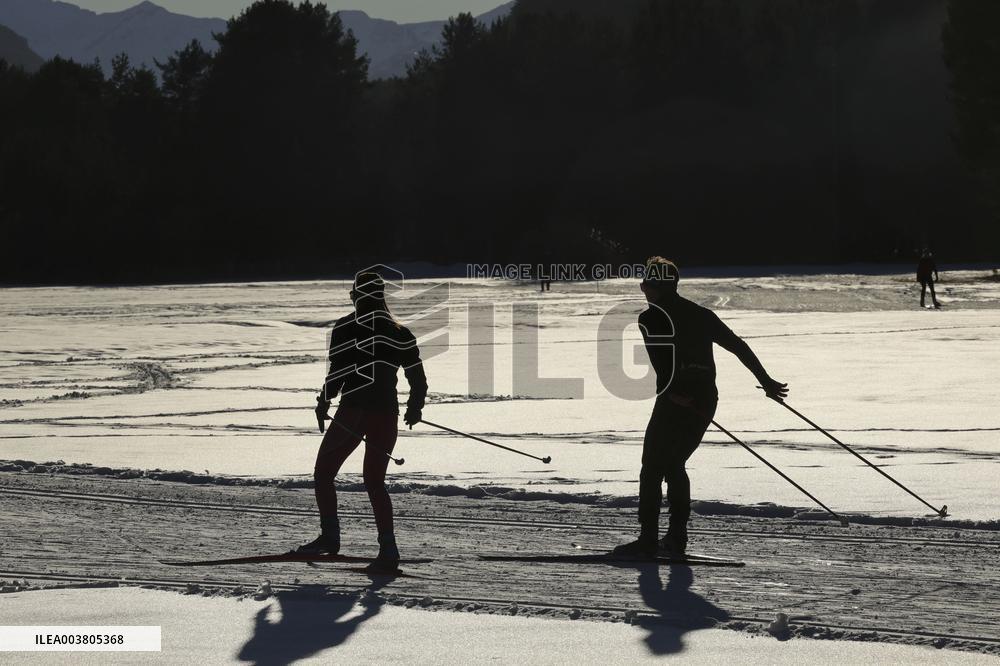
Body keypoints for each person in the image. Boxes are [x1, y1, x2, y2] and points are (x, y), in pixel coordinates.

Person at [614, 257, 788, 558]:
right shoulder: (701, 314)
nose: (642, 289)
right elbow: (738, 346)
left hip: (674, 398)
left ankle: (648, 540)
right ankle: (676, 538)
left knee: (652, 467)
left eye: (644, 284)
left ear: (655, 287)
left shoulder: (650, 318)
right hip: (705, 398)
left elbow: (662, 362)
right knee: (674, 464)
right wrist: (766, 382)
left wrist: (672, 394)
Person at [300, 271, 427, 569]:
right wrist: (414, 407)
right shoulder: (400, 332)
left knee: (323, 474)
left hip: (354, 411)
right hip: (387, 413)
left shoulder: (345, 327)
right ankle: (388, 549)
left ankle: (330, 538)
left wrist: (324, 401)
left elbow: (338, 371)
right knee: (375, 482)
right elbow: (417, 377)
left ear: (356, 296)